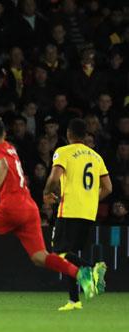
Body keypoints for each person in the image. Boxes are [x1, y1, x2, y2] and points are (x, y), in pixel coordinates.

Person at [0, 115, 97, 301]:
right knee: (40, 257)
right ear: (4, 133)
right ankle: (79, 273)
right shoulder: (10, 148)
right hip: (29, 208)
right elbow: (0, 176)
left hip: (11, 206)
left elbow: (1, 168)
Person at [43, 118, 112, 311]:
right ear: (85, 135)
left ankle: (91, 268)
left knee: (59, 252)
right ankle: (74, 300)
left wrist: (46, 193)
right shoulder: (96, 157)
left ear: (68, 134)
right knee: (69, 255)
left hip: (69, 209)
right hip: (88, 213)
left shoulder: (63, 152)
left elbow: (54, 176)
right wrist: (90, 199)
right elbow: (108, 187)